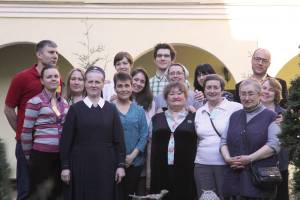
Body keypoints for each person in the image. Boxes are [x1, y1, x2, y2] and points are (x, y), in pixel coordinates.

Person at [60, 66, 126, 200]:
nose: (93, 85)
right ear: (85, 83)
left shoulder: (111, 109)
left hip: (106, 166)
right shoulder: (75, 109)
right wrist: (65, 166)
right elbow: (66, 141)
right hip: (80, 166)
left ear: (103, 84)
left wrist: (120, 165)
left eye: (97, 82)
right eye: (90, 82)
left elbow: (119, 140)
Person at [4, 40, 58, 200]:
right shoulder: (22, 78)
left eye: (56, 52)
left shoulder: (56, 79)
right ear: (39, 55)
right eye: (51, 52)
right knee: (26, 190)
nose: (55, 56)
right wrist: (22, 133)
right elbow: (8, 109)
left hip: (50, 146)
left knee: (48, 190)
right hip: (27, 145)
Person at [221, 79, 281, 199]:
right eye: (243, 94)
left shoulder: (272, 117)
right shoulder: (234, 116)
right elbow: (223, 141)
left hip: (259, 182)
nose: (246, 97)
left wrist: (249, 159)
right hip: (234, 179)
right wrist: (228, 159)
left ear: (259, 95)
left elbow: (274, 145)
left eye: (251, 93)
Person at [21, 66, 68, 199]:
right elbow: (26, 132)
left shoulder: (63, 103)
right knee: (40, 194)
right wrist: (29, 156)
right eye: (49, 77)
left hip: (60, 156)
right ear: (42, 81)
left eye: (56, 76)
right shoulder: (34, 102)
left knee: (56, 194)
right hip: (41, 155)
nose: (53, 79)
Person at [194, 74, 242, 198]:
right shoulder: (200, 111)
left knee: (226, 196)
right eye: (208, 87)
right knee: (206, 197)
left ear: (222, 90)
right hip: (202, 164)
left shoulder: (235, 108)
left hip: (226, 165)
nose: (212, 90)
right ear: (204, 90)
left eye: (216, 87)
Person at [150, 82, 197, 200]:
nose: (176, 96)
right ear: (166, 98)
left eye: (180, 93)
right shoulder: (156, 118)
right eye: (171, 94)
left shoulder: (194, 118)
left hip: (186, 171)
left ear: (186, 97)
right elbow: (150, 144)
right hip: (160, 171)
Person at [112, 72, 148, 200]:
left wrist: (132, 156)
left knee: (129, 195)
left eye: (127, 85)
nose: (124, 89)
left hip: (135, 162)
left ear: (132, 87)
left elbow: (144, 135)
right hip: (113, 162)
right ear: (115, 88)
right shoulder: (108, 109)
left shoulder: (139, 110)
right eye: (120, 86)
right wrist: (120, 160)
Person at [261, 78, 289, 200]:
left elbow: (292, 138)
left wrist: (285, 125)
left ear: (276, 93)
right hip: (257, 165)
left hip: (279, 165)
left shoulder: (285, 114)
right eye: (264, 88)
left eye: (271, 90)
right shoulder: (251, 111)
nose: (266, 92)